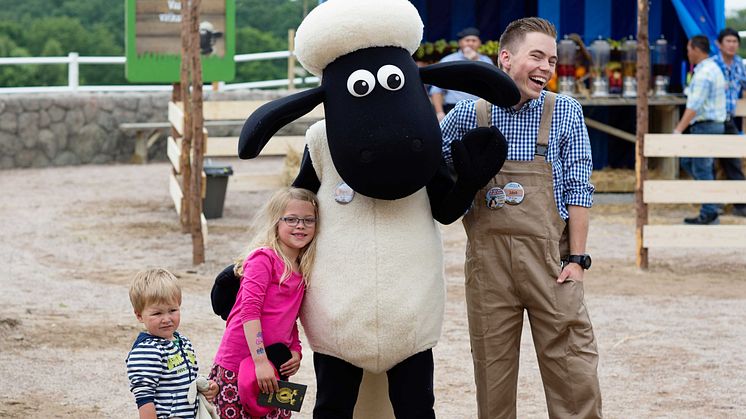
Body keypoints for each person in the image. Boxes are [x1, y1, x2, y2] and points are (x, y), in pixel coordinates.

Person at [440, 17, 602, 418]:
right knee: (492, 375)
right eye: (537, 56)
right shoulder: (464, 116)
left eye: (552, 60)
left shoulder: (564, 111)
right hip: (488, 267)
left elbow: (580, 188)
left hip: (552, 263)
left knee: (572, 369)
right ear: (506, 57)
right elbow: (436, 181)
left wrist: (578, 260)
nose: (547, 67)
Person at [209, 187, 319, 419]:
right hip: (239, 364)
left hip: (274, 364)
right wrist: (259, 360)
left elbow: (291, 317)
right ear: (276, 222)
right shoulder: (263, 259)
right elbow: (249, 312)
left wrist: (295, 351)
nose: (300, 225)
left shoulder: (303, 268)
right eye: (291, 219)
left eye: (309, 220)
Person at [126, 268, 219, 419]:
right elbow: (144, 398)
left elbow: (184, 380)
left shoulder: (183, 341)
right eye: (157, 313)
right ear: (139, 315)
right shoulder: (147, 351)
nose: (166, 318)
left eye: (172, 310)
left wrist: (205, 387)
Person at [673, 34, 727, 225]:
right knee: (694, 163)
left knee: (701, 167)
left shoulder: (704, 73)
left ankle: (710, 210)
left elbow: (694, 105)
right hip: (713, 124)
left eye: (689, 49)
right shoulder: (714, 68)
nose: (687, 53)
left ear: (696, 49)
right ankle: (711, 202)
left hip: (705, 125)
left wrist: (678, 130)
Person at [714, 27, 746, 217]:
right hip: (712, 118)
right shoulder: (712, 65)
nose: (732, 45)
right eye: (728, 41)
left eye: (735, 42)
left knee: (733, 161)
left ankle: (740, 204)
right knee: (709, 162)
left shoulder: (740, 65)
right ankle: (712, 204)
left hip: (730, 119)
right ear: (719, 44)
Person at [430, 26, 494, 121]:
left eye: (474, 40)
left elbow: (492, 87)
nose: (470, 43)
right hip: (453, 109)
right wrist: (439, 113)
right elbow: (436, 90)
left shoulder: (486, 61)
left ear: (480, 43)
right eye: (467, 40)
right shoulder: (448, 61)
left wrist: (476, 60)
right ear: (460, 43)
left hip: (480, 110)